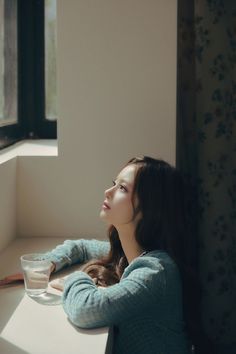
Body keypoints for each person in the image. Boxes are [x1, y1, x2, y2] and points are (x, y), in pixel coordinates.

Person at [1, 156, 204, 353]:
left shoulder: (157, 271)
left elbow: (86, 310)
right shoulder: (128, 253)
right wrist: (47, 263)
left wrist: (75, 278)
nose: (108, 191)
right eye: (114, 184)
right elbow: (81, 247)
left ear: (151, 208)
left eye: (122, 188)